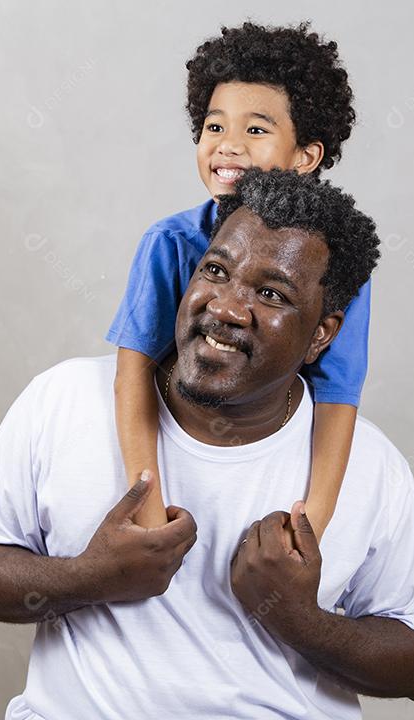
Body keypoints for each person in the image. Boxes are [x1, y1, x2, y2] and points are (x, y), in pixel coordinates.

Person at [0, 169, 414, 719]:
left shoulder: (372, 465)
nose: (226, 308)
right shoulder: (66, 398)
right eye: (215, 270)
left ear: (322, 334)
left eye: (270, 293)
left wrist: (301, 619)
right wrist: (91, 576)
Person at [107, 21, 368, 540]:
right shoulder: (170, 242)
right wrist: (149, 510)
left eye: (255, 130)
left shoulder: (333, 268)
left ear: (305, 157)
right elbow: (133, 374)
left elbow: (338, 396)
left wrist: (310, 524)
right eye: (214, 127)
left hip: (260, 472)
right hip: (177, 453)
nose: (227, 147)